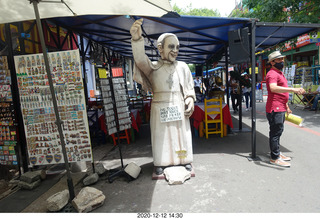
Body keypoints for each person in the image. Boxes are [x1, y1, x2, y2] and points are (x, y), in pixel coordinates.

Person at [130, 18, 196, 175]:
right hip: (160, 106)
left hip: (178, 105)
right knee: (162, 137)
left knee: (181, 135)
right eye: (171, 46)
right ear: (160, 48)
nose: (175, 50)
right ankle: (161, 162)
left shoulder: (183, 67)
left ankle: (184, 159)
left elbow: (189, 87)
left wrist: (190, 98)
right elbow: (140, 60)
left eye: (177, 47)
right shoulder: (153, 68)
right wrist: (137, 39)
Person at [266, 51, 305, 167]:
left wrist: (286, 106)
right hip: (275, 108)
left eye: (282, 59)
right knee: (275, 133)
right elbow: (273, 88)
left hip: (280, 107)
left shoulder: (279, 73)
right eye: (278, 60)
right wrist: (293, 90)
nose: (281, 61)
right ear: (272, 62)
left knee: (278, 131)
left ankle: (277, 153)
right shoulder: (272, 74)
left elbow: (281, 93)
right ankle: (274, 157)